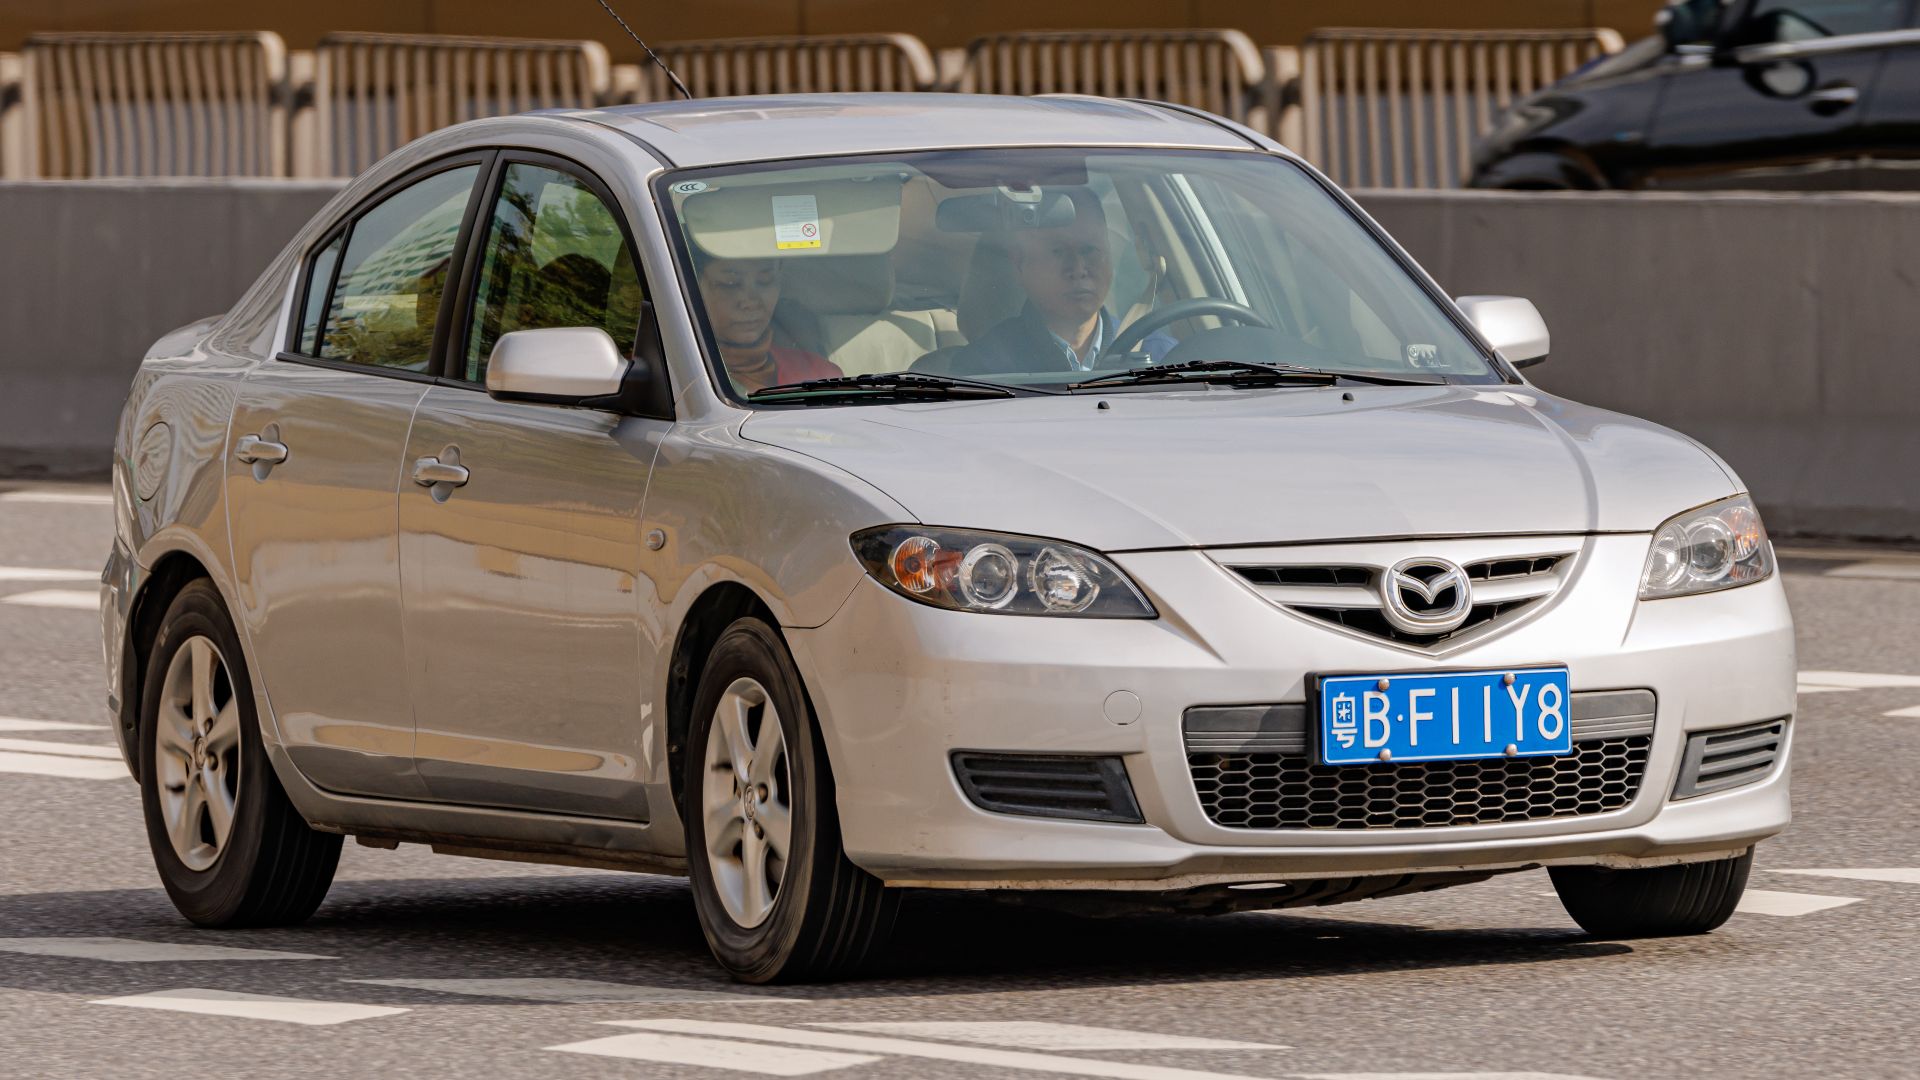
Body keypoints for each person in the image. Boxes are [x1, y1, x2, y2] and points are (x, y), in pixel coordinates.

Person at [949, 189, 1174, 376]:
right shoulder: (983, 371)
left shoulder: (1162, 358)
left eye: (1090, 250)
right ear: (1019, 264)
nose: (1078, 269)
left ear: (1109, 256)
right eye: (1058, 252)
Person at [693, 252, 842, 394]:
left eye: (766, 281)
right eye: (730, 283)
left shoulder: (821, 375)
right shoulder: (682, 382)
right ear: (694, 288)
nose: (751, 302)